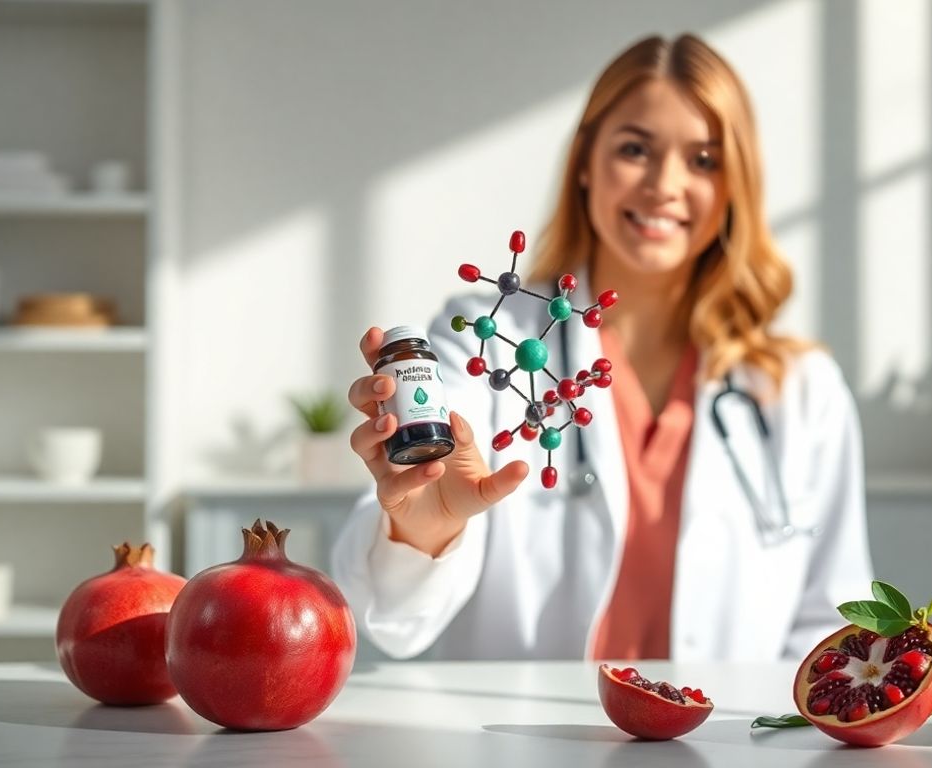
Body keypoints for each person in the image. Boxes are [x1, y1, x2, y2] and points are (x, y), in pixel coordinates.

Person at [332, 33, 872, 662]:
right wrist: (423, 531)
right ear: (585, 162)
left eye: (702, 159)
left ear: (734, 187)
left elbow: (834, 625)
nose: (665, 184)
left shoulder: (802, 389)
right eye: (635, 149)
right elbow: (394, 619)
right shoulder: (491, 340)